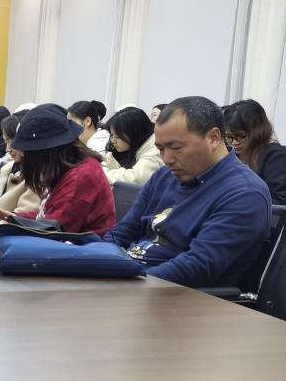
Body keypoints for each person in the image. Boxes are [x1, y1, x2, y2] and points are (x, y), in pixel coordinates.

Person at [104, 96, 271, 288]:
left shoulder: (245, 194)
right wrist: (95, 262)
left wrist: (125, 285)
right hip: (131, 278)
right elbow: (121, 233)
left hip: (174, 295)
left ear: (213, 138)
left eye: (176, 148)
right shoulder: (164, 176)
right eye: (160, 149)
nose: (167, 159)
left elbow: (194, 267)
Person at [0, 103, 115, 234]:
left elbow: (54, 231)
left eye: (28, 151)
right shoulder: (64, 170)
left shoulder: (81, 176)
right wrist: (14, 218)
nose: (24, 155)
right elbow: (45, 217)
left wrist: (15, 223)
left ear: (45, 151)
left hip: (79, 245)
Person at [224, 99, 286, 204]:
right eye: (229, 137)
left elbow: (280, 200)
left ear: (257, 132)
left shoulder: (274, 155)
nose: (234, 143)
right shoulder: (231, 154)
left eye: (241, 136)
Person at [101, 107, 163, 186]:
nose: (113, 141)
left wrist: (100, 174)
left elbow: (136, 178)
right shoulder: (132, 145)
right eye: (112, 135)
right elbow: (105, 163)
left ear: (134, 133)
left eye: (118, 136)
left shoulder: (156, 149)